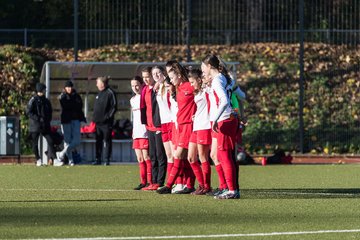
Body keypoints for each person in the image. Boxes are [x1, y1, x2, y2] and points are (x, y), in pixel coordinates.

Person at [201, 54, 239, 199]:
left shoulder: (217, 80)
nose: (202, 70)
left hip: (223, 120)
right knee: (221, 155)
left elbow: (223, 101)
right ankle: (230, 188)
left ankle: (231, 190)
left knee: (224, 156)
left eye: (203, 67)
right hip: (227, 119)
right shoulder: (223, 78)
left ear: (209, 66)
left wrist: (215, 119)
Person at [157, 62, 196, 194]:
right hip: (179, 125)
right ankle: (189, 185)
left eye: (173, 77)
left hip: (188, 126)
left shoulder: (189, 86)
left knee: (179, 155)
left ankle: (169, 185)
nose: (171, 80)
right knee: (184, 158)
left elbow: (202, 96)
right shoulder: (178, 88)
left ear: (179, 75)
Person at [140, 67, 167, 191]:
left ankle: (160, 182)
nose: (146, 79)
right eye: (144, 77)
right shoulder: (145, 89)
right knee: (152, 155)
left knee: (160, 155)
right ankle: (153, 181)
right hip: (149, 126)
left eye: (148, 76)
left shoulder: (157, 88)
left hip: (158, 125)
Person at [187, 68, 212, 195]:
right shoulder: (198, 93)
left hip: (204, 126)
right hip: (196, 126)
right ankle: (202, 185)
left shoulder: (207, 90)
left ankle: (206, 186)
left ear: (199, 80)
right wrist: (195, 115)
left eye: (192, 82)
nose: (191, 85)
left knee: (203, 157)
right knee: (191, 158)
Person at [55, 80, 86, 166]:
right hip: (66, 120)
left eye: (70, 87)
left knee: (77, 140)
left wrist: (72, 105)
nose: (69, 89)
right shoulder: (63, 96)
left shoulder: (76, 96)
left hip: (76, 120)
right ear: (64, 88)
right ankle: (70, 160)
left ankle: (61, 153)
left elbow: (79, 105)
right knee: (67, 141)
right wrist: (73, 105)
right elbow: (66, 106)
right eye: (67, 87)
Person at [26, 82, 57, 166]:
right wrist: (38, 118)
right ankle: (38, 159)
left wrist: (48, 120)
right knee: (35, 143)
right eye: (44, 89)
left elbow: (50, 111)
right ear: (40, 90)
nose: (45, 91)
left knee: (50, 141)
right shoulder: (33, 100)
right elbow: (28, 112)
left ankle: (55, 159)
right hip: (35, 126)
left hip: (45, 125)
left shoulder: (46, 101)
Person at [130, 76, 152, 190]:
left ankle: (150, 181)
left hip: (144, 131)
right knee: (139, 158)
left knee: (146, 156)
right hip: (136, 132)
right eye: (133, 86)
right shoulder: (132, 100)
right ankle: (143, 182)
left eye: (137, 85)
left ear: (141, 84)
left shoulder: (144, 97)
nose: (135, 88)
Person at [92, 76, 117, 165]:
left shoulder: (110, 92)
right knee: (98, 141)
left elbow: (114, 107)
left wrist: (107, 117)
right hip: (98, 123)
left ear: (102, 84)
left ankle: (107, 160)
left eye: (97, 82)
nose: (96, 84)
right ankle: (98, 159)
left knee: (107, 141)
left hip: (106, 123)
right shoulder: (99, 93)